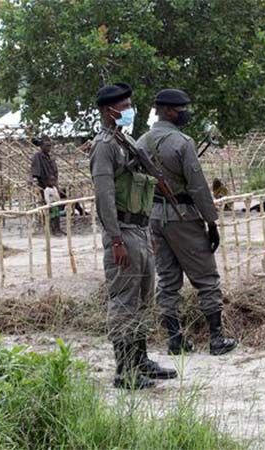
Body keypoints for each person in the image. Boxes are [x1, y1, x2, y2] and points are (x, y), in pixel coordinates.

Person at [137, 88, 237, 356]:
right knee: (206, 277)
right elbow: (198, 187)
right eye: (182, 109)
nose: (185, 113)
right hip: (183, 216)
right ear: (169, 110)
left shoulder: (141, 142)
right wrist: (211, 222)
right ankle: (216, 339)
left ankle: (175, 339)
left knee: (168, 280)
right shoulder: (182, 142)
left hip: (154, 217)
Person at [90, 82, 177, 390]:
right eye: (123, 107)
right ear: (107, 110)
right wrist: (114, 239)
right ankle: (124, 370)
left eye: (129, 105)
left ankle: (140, 361)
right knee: (124, 301)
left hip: (138, 229)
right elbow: (104, 195)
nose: (129, 111)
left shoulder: (124, 142)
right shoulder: (104, 146)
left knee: (142, 299)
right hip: (122, 232)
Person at [30, 136, 65, 236]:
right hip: (45, 187)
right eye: (46, 146)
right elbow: (34, 170)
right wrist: (33, 179)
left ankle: (57, 228)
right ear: (41, 146)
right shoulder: (38, 156)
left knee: (57, 207)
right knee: (50, 208)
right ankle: (53, 229)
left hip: (53, 186)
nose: (49, 148)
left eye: (50, 146)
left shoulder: (49, 157)